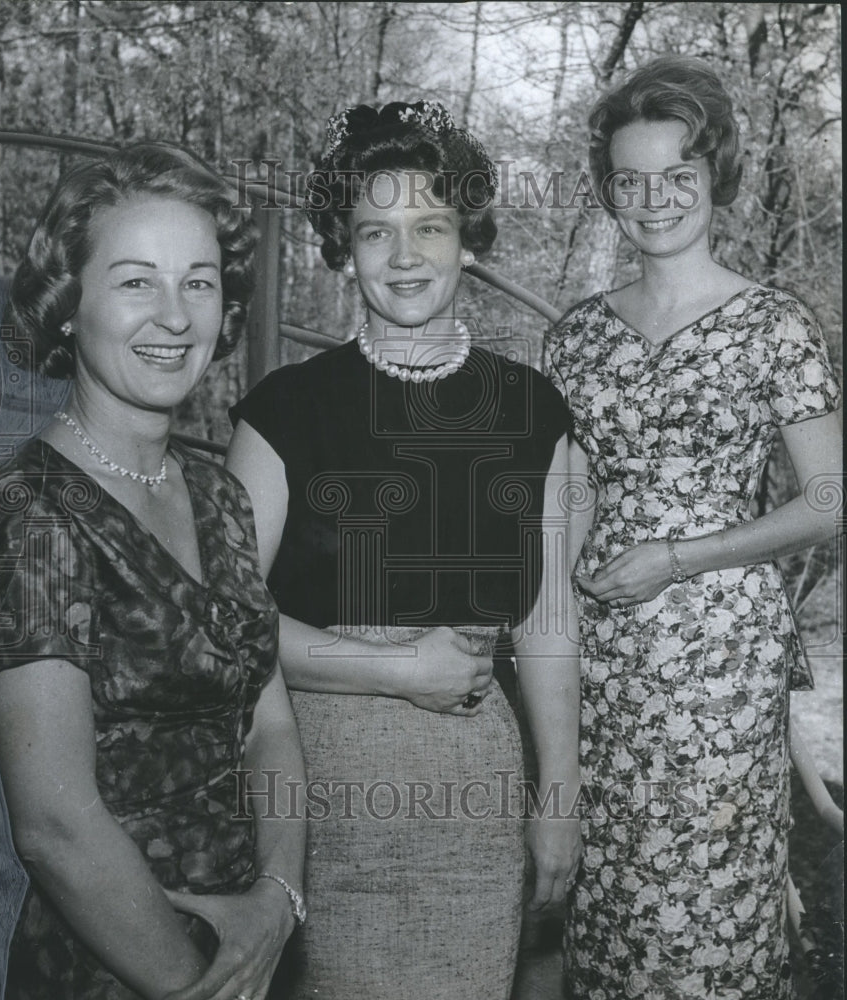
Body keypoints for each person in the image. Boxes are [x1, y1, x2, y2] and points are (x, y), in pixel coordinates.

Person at [226, 101, 581, 1000]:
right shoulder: (284, 409)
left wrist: (559, 800)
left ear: (470, 241)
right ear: (343, 250)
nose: (406, 254)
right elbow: (225, 629)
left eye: (431, 225)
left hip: (476, 795)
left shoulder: (534, 410)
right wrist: (393, 669)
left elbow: (546, 626)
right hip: (315, 795)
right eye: (374, 231)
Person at [0, 142, 306, 1000]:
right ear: (70, 305)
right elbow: (56, 827)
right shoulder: (27, 513)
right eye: (136, 281)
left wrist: (278, 898)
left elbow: (272, 729)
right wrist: (200, 985)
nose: (176, 316)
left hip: (255, 942)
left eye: (198, 281)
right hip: (115, 964)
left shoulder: (221, 493)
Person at [545, 57, 843, 1000]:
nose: (653, 199)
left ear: (715, 178)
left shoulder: (773, 326)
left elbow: (830, 499)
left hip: (720, 655)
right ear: (607, 193)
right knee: (613, 902)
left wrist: (679, 557)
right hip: (603, 651)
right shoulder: (575, 338)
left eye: (678, 175)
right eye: (629, 181)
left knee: (712, 911)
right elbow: (571, 499)